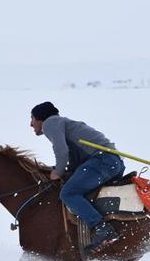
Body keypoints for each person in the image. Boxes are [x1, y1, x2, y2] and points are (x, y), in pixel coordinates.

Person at [30, 101, 125, 253]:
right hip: (114, 163)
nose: (31, 123)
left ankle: (103, 229)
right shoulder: (65, 124)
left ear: (40, 118)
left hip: (102, 161)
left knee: (68, 193)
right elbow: (75, 158)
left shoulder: (50, 123)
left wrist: (58, 172)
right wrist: (68, 171)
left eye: (32, 118)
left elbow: (62, 151)